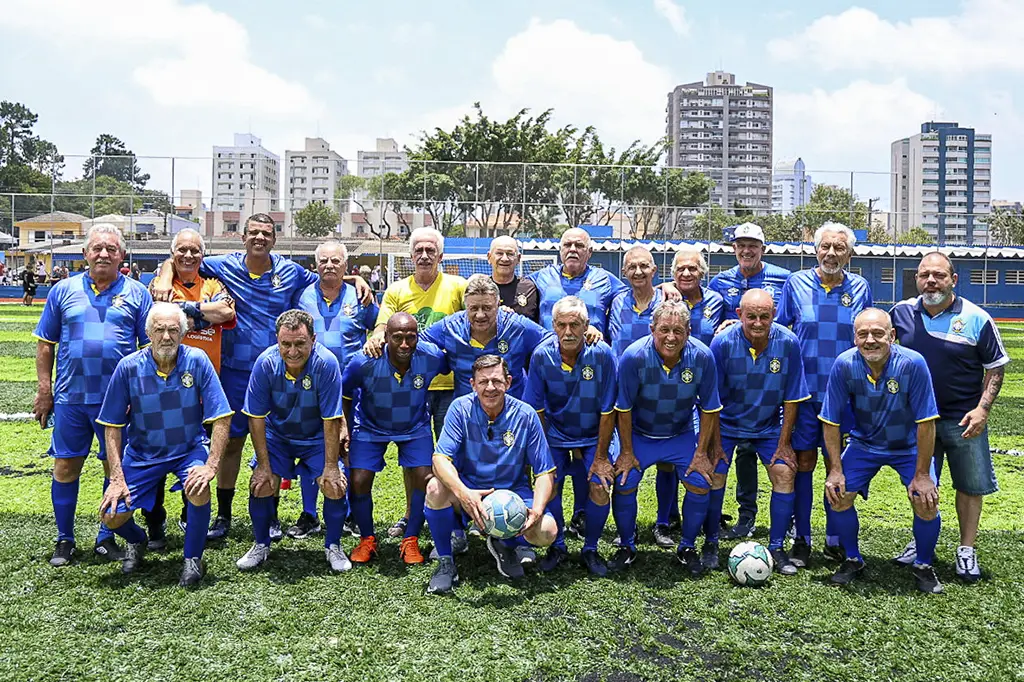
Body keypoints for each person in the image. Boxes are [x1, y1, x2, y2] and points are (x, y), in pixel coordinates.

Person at [150, 213, 368, 542]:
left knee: (276, 439)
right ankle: (223, 514)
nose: (260, 238)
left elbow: (325, 277)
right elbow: (183, 258)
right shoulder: (224, 266)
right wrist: (165, 273)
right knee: (233, 441)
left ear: (274, 239)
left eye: (266, 233)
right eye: (254, 233)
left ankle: (273, 517)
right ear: (243, 238)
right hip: (235, 372)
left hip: (279, 370)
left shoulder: (290, 271)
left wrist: (354, 280)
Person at [32, 224, 153, 567]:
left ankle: (105, 537)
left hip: (117, 401)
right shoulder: (63, 290)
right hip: (71, 397)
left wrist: (140, 396)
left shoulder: (137, 293)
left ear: (122, 256)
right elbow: (45, 344)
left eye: (111, 249)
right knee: (66, 466)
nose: (103, 254)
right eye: (97, 248)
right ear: (85, 254)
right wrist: (45, 390)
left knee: (112, 468)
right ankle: (64, 539)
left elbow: (148, 350)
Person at [890, 252, 1009, 582]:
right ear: (916, 279)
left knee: (970, 487)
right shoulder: (899, 314)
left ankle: (966, 549)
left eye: (939, 275)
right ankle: (921, 541)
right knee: (921, 484)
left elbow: (996, 367)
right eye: (924, 274)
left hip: (962, 420)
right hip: (918, 422)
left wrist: (982, 409)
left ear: (953, 280)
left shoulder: (976, 317)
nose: (931, 280)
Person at [95, 303, 233, 586]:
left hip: (187, 450)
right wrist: (116, 477)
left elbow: (221, 417)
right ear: (148, 333)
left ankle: (193, 559)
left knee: (199, 486)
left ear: (184, 333)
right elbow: (112, 425)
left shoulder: (198, 360)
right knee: (110, 516)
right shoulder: (128, 367)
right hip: (143, 453)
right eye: (160, 330)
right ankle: (138, 539)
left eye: (173, 330)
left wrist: (211, 466)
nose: (167, 337)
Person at [820, 309, 943, 594]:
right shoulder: (844, 364)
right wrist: (835, 470)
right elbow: (830, 421)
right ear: (855, 338)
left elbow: (926, 423)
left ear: (892, 336)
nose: (870, 340)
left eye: (878, 333)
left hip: (908, 446)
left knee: (925, 499)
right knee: (836, 495)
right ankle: (852, 558)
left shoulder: (913, 363)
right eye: (863, 334)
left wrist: (923, 474)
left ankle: (923, 565)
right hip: (864, 444)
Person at [776, 222, 872, 567]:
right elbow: (781, 331)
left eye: (839, 248)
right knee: (803, 463)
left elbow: (867, 339)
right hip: (803, 394)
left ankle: (836, 537)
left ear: (850, 253)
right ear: (816, 249)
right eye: (825, 247)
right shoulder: (795, 283)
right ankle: (801, 536)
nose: (831, 253)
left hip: (845, 396)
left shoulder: (861, 287)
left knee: (839, 465)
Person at [424, 355, 558, 594]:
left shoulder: (526, 415)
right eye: (483, 382)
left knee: (548, 531)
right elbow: (440, 459)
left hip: (513, 492)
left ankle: (504, 542)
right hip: (471, 488)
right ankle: (446, 562)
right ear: (472, 384)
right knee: (435, 489)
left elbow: (545, 472)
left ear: (508, 382)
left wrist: (537, 510)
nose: (490, 388)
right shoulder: (460, 409)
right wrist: (463, 493)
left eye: (497, 381)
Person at [365, 226, 467, 539]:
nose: (424, 256)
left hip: (449, 385)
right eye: (418, 251)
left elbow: (477, 319)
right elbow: (382, 325)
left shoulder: (458, 287)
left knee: (453, 454)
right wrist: (376, 336)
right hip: (410, 388)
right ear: (411, 256)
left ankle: (456, 516)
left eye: (430, 251)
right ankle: (413, 514)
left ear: (440, 255)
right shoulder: (396, 291)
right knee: (414, 459)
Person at [141, 228, 237, 549]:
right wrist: (203, 313)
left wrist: (186, 310)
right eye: (181, 250)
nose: (188, 256)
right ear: (172, 254)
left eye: (195, 251)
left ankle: (188, 514)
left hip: (202, 387)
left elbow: (225, 311)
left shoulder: (212, 284)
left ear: (202, 255)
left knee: (198, 454)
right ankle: (154, 521)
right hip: (161, 386)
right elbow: (156, 307)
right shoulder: (159, 284)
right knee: (154, 454)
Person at [610, 300, 721, 576]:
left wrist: (701, 453)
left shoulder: (703, 357)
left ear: (689, 331)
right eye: (664, 330)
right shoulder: (634, 356)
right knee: (625, 480)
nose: (671, 337)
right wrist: (625, 452)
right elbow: (622, 409)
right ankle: (626, 545)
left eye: (678, 331)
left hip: (679, 434)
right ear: (652, 329)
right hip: (639, 434)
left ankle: (687, 547)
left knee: (699, 480)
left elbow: (709, 409)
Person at [237, 310, 351, 573]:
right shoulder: (265, 363)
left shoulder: (327, 363)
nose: (292, 351)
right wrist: (264, 465)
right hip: (278, 437)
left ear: (313, 338)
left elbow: (331, 419)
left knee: (334, 485)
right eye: (285, 344)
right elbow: (255, 417)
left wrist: (331, 466)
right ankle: (261, 544)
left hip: (316, 438)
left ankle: (333, 546)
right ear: (277, 340)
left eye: (300, 343)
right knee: (262, 483)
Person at [709, 290, 810, 574]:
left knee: (784, 472)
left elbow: (792, 397)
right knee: (714, 471)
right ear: (739, 315)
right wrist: (714, 444)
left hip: (767, 426)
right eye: (751, 316)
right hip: (727, 424)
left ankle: (776, 547)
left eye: (764, 316)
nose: (757, 322)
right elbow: (711, 400)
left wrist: (784, 443)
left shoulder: (788, 343)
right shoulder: (722, 343)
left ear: (773, 315)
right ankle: (711, 543)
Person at [342, 313, 449, 565]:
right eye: (397, 337)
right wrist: (342, 428)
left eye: (410, 338)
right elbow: (345, 392)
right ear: (385, 337)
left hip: (414, 425)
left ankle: (410, 539)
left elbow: (451, 363)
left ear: (417, 337)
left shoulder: (431, 356)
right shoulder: (364, 361)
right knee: (358, 479)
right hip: (370, 426)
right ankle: (367, 538)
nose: (404, 344)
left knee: (424, 477)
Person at [709, 222, 791, 541]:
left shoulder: (783, 279)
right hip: (735, 379)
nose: (746, 250)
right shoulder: (720, 281)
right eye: (741, 245)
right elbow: (710, 320)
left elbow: (787, 321)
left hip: (770, 373)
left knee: (774, 451)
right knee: (740, 448)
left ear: (763, 248)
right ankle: (744, 515)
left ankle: (785, 520)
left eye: (752, 245)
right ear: (734, 248)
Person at [524, 297, 617, 575]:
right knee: (548, 483)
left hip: (593, 435)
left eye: (575, 325)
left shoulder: (602, 354)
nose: (568, 332)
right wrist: (540, 459)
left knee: (600, 485)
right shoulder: (542, 355)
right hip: (554, 434)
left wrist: (601, 457)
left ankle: (590, 548)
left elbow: (608, 411)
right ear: (552, 326)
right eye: (562, 325)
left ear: (586, 325)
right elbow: (536, 411)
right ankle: (559, 546)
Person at [295, 241, 379, 540]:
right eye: (324, 261)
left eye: (335, 261)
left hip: (352, 389)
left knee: (349, 447)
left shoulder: (360, 295)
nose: (329, 265)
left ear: (346, 265)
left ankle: (351, 513)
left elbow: (376, 326)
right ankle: (309, 514)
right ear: (315, 265)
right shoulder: (301, 294)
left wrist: (360, 282)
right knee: (311, 445)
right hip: (311, 386)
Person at [607, 245, 681, 549]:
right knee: (623, 460)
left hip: (661, 394)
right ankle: (624, 529)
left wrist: (670, 286)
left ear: (655, 271)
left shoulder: (668, 301)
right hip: (623, 396)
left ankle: (663, 523)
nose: (638, 272)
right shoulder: (615, 300)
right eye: (632, 267)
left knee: (666, 462)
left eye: (644, 266)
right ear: (623, 272)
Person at [419, 274, 553, 400]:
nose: (480, 315)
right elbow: (418, 342)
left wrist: (536, 371)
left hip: (512, 415)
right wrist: (442, 362)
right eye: (474, 308)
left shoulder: (516, 326)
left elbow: (550, 342)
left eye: (487, 308)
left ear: (498, 305)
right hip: (468, 414)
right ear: (466, 306)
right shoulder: (450, 328)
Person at [528, 227, 627, 339]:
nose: (572, 249)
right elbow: (514, 287)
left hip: (590, 353)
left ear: (590, 252)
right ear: (560, 250)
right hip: (550, 353)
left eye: (579, 246)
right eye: (567, 245)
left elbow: (635, 298)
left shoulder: (604, 279)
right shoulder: (543, 276)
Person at [670, 246, 724, 346]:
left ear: (702, 272)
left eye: (692, 269)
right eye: (681, 269)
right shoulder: (665, 298)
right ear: (674, 273)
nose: (686, 274)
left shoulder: (715, 301)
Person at [488, 235, 539, 322]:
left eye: (510, 254)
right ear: (489, 257)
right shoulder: (481, 288)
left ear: (518, 258)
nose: (505, 258)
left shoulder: (530, 288)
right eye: (499, 253)